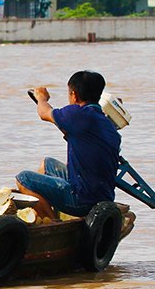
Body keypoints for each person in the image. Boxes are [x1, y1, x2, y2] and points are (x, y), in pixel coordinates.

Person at [15, 71, 121, 219]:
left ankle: (52, 222)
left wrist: (41, 98)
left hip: (82, 200)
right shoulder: (104, 122)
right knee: (47, 164)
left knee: (23, 179)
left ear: (74, 95)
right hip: (102, 195)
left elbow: (44, 113)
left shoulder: (77, 114)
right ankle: (46, 209)